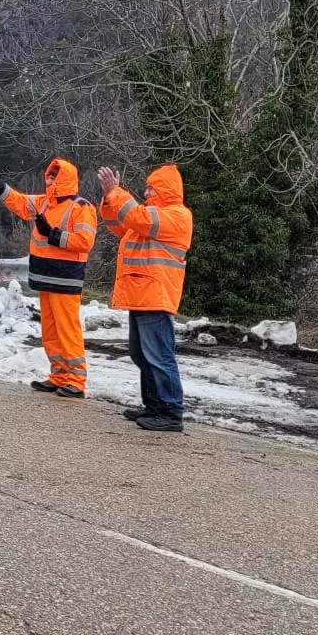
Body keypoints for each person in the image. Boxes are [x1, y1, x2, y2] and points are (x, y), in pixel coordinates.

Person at [0, 155, 98, 399]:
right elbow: (20, 202)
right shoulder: (45, 203)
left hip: (65, 278)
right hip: (46, 276)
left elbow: (85, 242)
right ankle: (58, 375)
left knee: (67, 329)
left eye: (54, 175)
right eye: (49, 175)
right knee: (50, 329)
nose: (49, 179)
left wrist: (53, 234)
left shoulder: (81, 207)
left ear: (64, 179)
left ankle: (76, 380)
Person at [97, 162, 194, 433]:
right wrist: (108, 196)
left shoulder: (177, 215)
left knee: (159, 355)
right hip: (141, 293)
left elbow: (137, 218)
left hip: (155, 294)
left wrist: (116, 192)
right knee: (141, 354)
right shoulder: (151, 214)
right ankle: (153, 406)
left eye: (152, 186)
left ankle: (171, 411)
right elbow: (119, 223)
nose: (148, 190)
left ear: (165, 188)